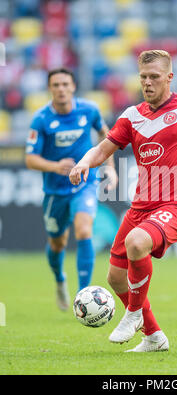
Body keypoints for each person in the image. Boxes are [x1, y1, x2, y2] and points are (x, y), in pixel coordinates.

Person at [69, 50, 177, 352]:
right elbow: (103, 149)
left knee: (137, 242)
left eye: (154, 77)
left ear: (169, 78)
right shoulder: (132, 116)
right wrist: (85, 162)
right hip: (141, 208)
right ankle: (154, 337)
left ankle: (134, 314)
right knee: (115, 277)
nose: (147, 83)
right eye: (143, 78)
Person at [25, 67, 117, 311]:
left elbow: (106, 135)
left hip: (85, 182)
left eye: (65, 84)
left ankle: (83, 294)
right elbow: (30, 159)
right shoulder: (41, 119)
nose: (61, 89)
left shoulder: (89, 110)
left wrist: (110, 167)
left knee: (84, 229)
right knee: (57, 244)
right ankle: (59, 280)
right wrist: (55, 166)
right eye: (56, 85)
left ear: (73, 86)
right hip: (56, 191)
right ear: (50, 89)